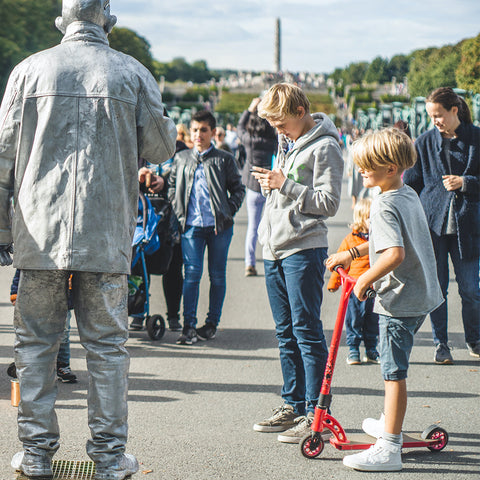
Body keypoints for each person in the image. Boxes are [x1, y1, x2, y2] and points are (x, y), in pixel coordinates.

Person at [0, 1, 177, 478]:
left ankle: (36, 455)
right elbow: (162, 147)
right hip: (105, 233)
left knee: (35, 347)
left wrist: (2, 230)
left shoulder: (28, 71)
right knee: (107, 349)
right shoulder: (131, 73)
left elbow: (1, 160)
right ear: (108, 22)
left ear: (62, 22)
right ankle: (109, 456)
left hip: (39, 235)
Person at [326, 128, 443, 472]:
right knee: (394, 368)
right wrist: (354, 253)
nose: (360, 170)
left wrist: (364, 277)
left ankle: (389, 446)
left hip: (400, 299)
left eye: (367, 165)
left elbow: (393, 252)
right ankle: (388, 422)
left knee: (393, 372)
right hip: (420, 293)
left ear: (390, 167)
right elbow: (386, 241)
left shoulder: (383, 204)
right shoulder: (405, 194)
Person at [251, 83, 344, 444]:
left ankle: (316, 411)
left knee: (306, 330)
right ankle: (292, 403)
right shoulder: (287, 142)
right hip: (274, 245)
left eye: (280, 122)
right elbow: (286, 192)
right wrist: (270, 186)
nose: (277, 129)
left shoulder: (326, 146)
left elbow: (329, 203)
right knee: (285, 331)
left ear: (300, 113)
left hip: (303, 247)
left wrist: (285, 185)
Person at [404, 87, 480, 364]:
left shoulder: (476, 138)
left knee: (471, 290)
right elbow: (412, 184)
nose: (434, 120)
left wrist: (466, 183)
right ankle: (441, 344)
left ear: (454, 110)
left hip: (468, 227)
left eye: (438, 115)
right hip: (432, 228)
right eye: (431, 116)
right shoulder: (423, 142)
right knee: (437, 290)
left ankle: (474, 339)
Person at [168, 110, 245, 345]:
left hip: (218, 228)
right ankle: (188, 326)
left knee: (217, 276)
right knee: (191, 275)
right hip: (191, 227)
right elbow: (172, 186)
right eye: (194, 130)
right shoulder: (181, 158)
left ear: (213, 132)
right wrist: (178, 209)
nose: (198, 134)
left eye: (203, 130)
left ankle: (211, 323)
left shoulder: (224, 159)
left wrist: (227, 211)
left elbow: (238, 189)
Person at [327, 198, 379, 365]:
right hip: (354, 289)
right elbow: (340, 263)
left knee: (373, 320)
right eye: (371, 218)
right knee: (353, 319)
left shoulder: (378, 239)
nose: (374, 222)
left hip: (373, 288)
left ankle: (371, 349)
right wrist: (333, 284)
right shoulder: (350, 240)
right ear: (361, 219)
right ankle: (353, 349)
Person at [10, 270, 78, 383]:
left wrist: (73, 300)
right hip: (38, 301)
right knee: (34, 334)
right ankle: (28, 365)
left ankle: (62, 365)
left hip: (63, 303)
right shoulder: (36, 256)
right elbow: (22, 273)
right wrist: (15, 293)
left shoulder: (70, 259)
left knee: (63, 335)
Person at [237, 97, 278, 277]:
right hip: (271, 186)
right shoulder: (273, 141)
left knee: (253, 227)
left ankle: (249, 263)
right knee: (273, 226)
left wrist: (250, 108)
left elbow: (239, 127)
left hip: (253, 185)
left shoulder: (249, 140)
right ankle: (273, 261)